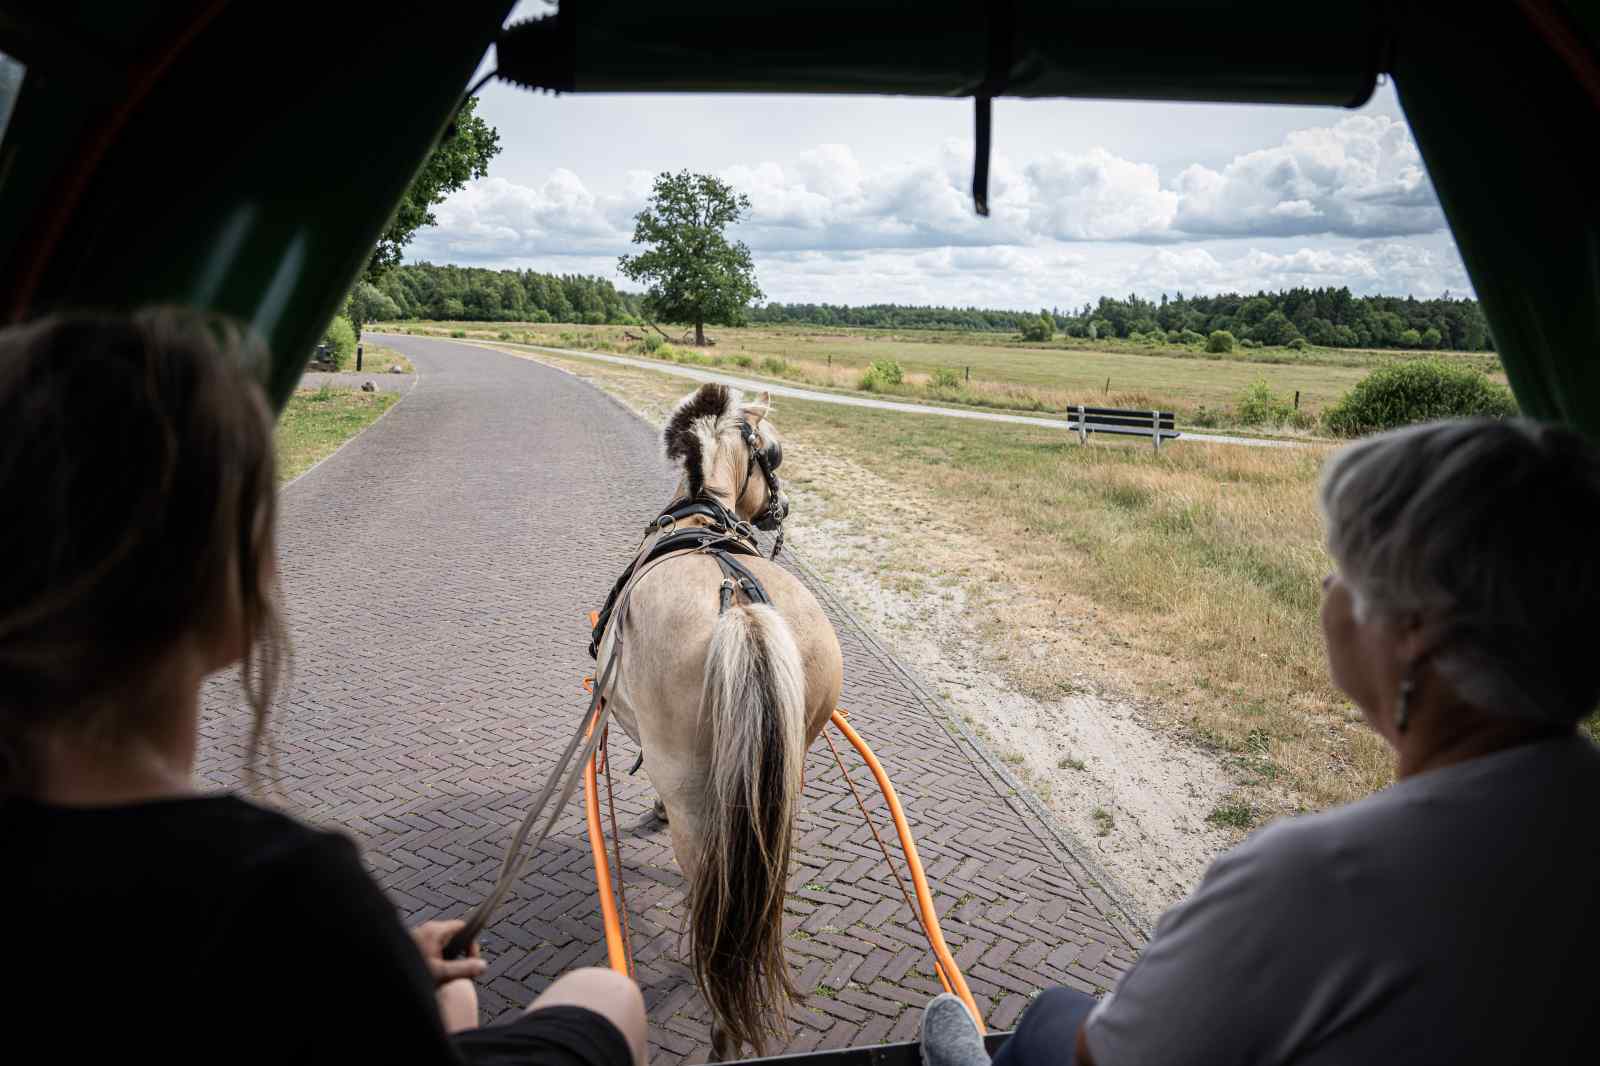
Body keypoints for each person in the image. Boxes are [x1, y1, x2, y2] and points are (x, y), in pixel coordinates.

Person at [0, 311, 648, 1066]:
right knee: (608, 997)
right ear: (215, 578)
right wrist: (379, 965)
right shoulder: (284, 892)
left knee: (453, 993)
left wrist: (394, 965)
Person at [923, 417, 1600, 1066]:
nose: (1328, 589)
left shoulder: (1315, 882)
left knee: (1051, 1016)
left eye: (1344, 568)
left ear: (1414, 627)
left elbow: (1108, 1057)